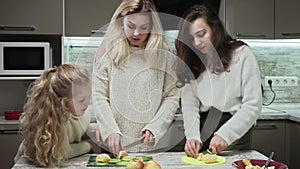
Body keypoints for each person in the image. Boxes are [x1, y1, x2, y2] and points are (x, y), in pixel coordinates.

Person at [93, 0, 180, 155]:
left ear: (153, 27)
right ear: (121, 22)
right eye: (131, 26)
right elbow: (99, 94)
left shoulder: (164, 53)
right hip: (113, 147)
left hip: (149, 148)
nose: (136, 34)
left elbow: (172, 96)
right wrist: (109, 129)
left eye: (143, 28)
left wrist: (155, 128)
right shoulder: (107, 49)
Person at [175, 4, 262, 157]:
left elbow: (253, 105)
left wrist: (225, 134)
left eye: (201, 34)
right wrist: (192, 136)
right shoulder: (192, 62)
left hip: (235, 129)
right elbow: (190, 106)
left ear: (214, 29)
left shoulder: (242, 54)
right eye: (191, 38)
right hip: (203, 128)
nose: (197, 42)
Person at [14, 64, 97, 167]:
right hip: (32, 161)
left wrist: (95, 131)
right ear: (61, 102)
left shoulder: (81, 110)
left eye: (89, 96)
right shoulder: (53, 121)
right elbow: (59, 153)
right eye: (82, 100)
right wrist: (87, 146)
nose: (87, 102)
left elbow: (77, 129)